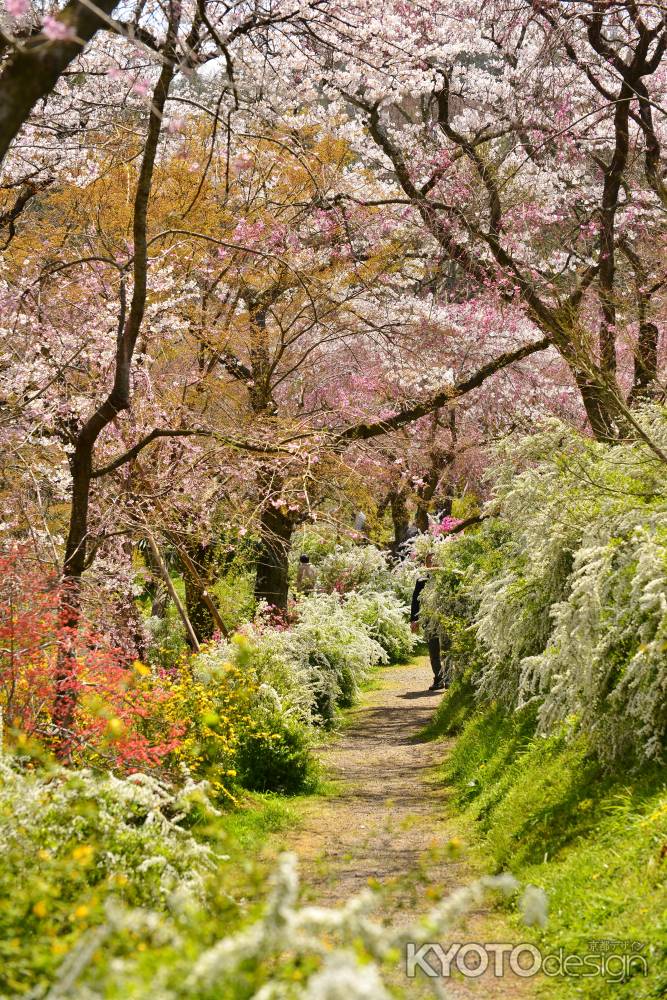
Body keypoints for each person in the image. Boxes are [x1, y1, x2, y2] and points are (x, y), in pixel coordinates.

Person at [410, 554, 448, 691]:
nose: (434, 563)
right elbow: (416, 601)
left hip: (445, 618)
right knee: (433, 650)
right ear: (427, 565)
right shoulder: (421, 581)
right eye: (431, 561)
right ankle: (438, 678)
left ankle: (449, 677)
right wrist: (414, 620)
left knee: (447, 648)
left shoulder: (446, 579)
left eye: (436, 560)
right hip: (428, 619)